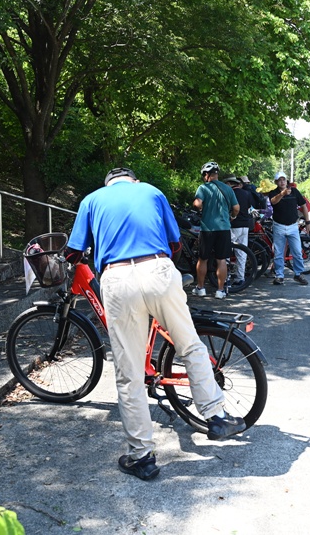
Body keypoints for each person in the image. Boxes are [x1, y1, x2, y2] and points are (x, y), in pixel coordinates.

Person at [66, 167, 247, 480]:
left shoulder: (92, 200)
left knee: (129, 371)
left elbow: (73, 252)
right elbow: (175, 244)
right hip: (158, 269)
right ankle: (217, 416)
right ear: (133, 179)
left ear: (108, 182)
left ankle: (142, 456)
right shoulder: (152, 191)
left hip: (118, 278)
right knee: (189, 344)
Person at [192, 161, 240, 299]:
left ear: (206, 175)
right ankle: (220, 291)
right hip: (224, 228)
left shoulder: (203, 188)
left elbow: (198, 203)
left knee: (203, 259)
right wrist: (232, 216)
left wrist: (199, 207)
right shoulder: (228, 189)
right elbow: (236, 208)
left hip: (207, 228)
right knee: (221, 260)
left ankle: (200, 288)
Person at [268, 171, 310, 286]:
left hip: (292, 226)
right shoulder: (273, 193)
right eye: (279, 180)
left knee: (297, 251)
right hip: (278, 226)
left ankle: (298, 274)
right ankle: (279, 276)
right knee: (278, 253)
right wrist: (282, 194)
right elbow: (273, 202)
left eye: (284, 179)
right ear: (276, 182)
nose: (282, 182)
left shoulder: (294, 191)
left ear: (286, 181)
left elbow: (303, 206)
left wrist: (307, 222)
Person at [224, 174, 254, 288]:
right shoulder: (246, 194)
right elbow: (248, 207)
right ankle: (240, 278)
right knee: (241, 253)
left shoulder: (229, 194)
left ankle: (226, 278)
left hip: (233, 225)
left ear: (230, 184)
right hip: (245, 226)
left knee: (226, 251)